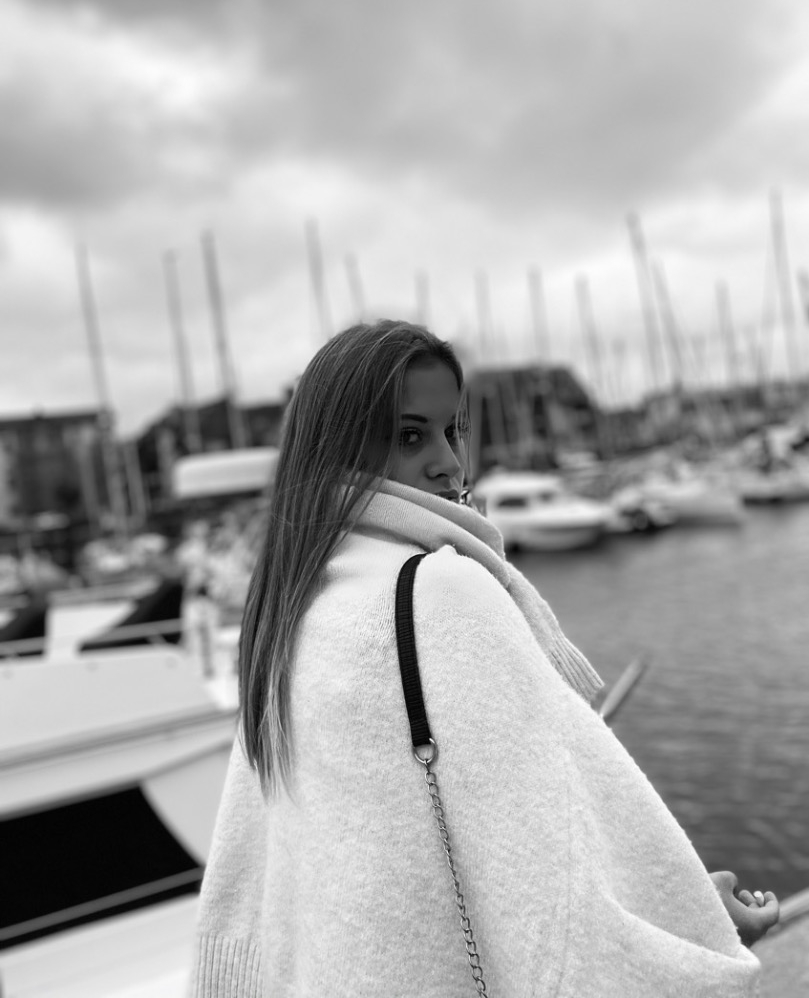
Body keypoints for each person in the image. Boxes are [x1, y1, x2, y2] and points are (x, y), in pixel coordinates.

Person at [190, 320, 779, 997]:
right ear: (341, 444)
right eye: (410, 436)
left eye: (453, 430)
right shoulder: (440, 590)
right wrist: (694, 922)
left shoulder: (287, 611)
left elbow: (252, 876)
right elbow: (553, 881)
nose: (449, 463)